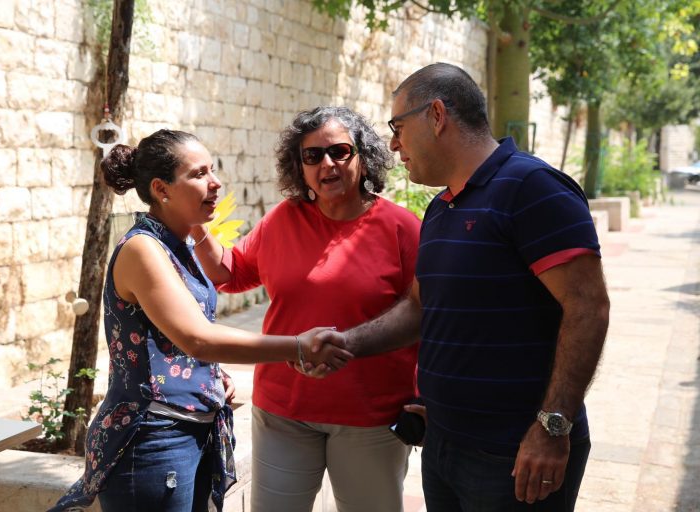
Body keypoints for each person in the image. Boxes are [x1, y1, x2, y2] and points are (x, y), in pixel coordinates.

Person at [314, 63, 610, 511]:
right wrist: (346, 343)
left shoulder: (533, 188)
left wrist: (553, 427)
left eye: (398, 128)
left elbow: (588, 308)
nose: (393, 145)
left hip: (516, 455)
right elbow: (420, 308)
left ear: (436, 115)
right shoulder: (442, 207)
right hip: (445, 445)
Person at [49, 129, 353, 512]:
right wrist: (297, 346)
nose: (216, 182)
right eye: (199, 174)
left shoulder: (179, 244)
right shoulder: (143, 249)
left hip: (187, 433)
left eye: (212, 169)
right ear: (161, 189)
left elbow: (176, 337)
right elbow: (198, 338)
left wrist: (206, 376)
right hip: (152, 439)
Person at [190, 106, 421, 512]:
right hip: (284, 411)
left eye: (339, 151)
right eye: (312, 156)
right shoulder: (283, 220)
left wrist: (426, 395)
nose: (326, 164)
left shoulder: (402, 227)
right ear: (299, 167)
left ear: (363, 156)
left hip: (371, 415)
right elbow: (231, 272)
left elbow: (426, 314)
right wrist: (193, 220)